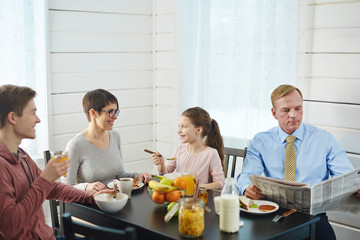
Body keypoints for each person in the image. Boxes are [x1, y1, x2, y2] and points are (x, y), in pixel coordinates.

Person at [237, 84, 360, 239]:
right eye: (286, 110)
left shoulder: (324, 139)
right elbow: (246, 175)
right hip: (274, 212)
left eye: (298, 108)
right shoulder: (261, 141)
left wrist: (356, 186)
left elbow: (347, 176)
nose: (293, 115)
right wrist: (246, 188)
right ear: (274, 113)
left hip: (313, 216)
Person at [0, 84, 112, 240]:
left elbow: (52, 189)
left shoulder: (21, 155)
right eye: (33, 113)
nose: (38, 120)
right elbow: (10, 227)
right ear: (12, 118)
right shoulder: (2, 166)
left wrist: (91, 197)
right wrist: (45, 179)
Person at [62, 89, 152, 192]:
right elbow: (64, 188)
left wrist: (138, 176)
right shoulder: (75, 145)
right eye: (110, 112)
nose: (115, 117)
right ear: (93, 113)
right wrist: (87, 187)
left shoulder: (115, 136)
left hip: (115, 200)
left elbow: (119, 175)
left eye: (116, 112)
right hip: (91, 204)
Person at [152, 107, 225, 190]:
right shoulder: (180, 149)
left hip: (198, 199)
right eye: (179, 126)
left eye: (184, 126)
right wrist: (161, 164)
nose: (179, 131)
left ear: (198, 130)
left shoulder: (211, 154)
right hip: (179, 196)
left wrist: (196, 187)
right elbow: (165, 174)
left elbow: (220, 183)